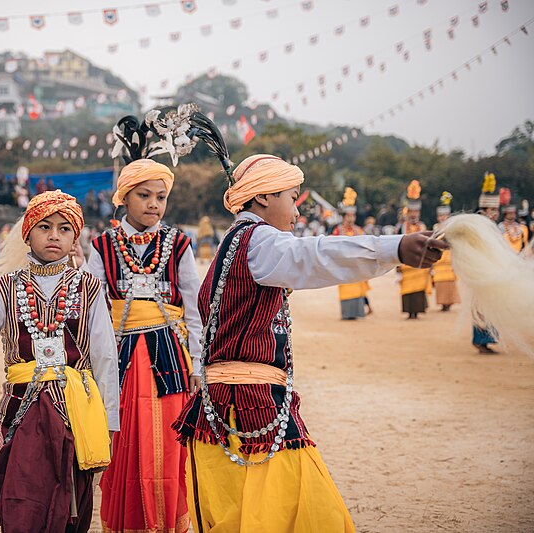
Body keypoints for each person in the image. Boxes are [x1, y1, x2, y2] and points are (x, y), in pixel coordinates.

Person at [171, 118, 446, 532]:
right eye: (291, 198)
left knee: (238, 516)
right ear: (262, 197)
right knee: (303, 515)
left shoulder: (235, 242)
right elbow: (315, 256)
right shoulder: (260, 241)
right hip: (251, 407)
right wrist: (395, 247)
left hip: (220, 409)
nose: (298, 210)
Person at [0, 190, 119, 532]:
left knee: (69, 508)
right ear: (28, 233)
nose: (55, 235)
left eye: (65, 229)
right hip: (21, 412)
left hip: (75, 414)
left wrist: (110, 421)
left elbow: (104, 358)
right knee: (21, 501)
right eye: (45, 227)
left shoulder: (90, 288)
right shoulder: (6, 287)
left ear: (75, 236)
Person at [87, 135, 202, 532]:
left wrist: (199, 364)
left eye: (160, 197)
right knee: (123, 447)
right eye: (144, 196)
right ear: (124, 198)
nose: (153, 204)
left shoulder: (180, 244)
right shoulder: (101, 246)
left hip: (169, 358)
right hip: (119, 361)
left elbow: (196, 309)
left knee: (170, 448)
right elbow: (90, 310)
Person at [331, 187, 371, 320]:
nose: (351, 218)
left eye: (352, 215)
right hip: (343, 266)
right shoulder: (337, 230)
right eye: (348, 215)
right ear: (343, 217)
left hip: (357, 266)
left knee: (357, 289)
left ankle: (359, 311)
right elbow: (331, 246)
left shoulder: (359, 230)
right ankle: (347, 313)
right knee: (346, 290)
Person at [473, 173, 501, 354]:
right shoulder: (477, 228)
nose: (495, 213)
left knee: (492, 307)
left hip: (493, 272)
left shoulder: (493, 227)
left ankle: (488, 339)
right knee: (481, 308)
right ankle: (480, 340)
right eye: (492, 210)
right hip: (480, 271)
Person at [396, 180, 430, 319]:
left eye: (416, 211)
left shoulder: (422, 226)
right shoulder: (401, 227)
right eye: (411, 211)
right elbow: (396, 244)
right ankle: (409, 312)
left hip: (420, 263)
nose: (413, 214)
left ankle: (418, 311)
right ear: (407, 212)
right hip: (406, 262)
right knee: (407, 288)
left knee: (419, 288)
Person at [431, 192, 460, 311]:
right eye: (441, 216)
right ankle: (443, 303)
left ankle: (449, 303)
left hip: (450, 257)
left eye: (445, 216)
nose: (443, 218)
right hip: (439, 257)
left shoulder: (453, 228)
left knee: (450, 282)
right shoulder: (435, 227)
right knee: (440, 282)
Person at [498, 188, 529, 253]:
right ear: (505, 214)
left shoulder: (521, 228)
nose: (513, 215)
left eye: (514, 213)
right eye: (510, 213)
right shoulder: (500, 227)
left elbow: (525, 245)